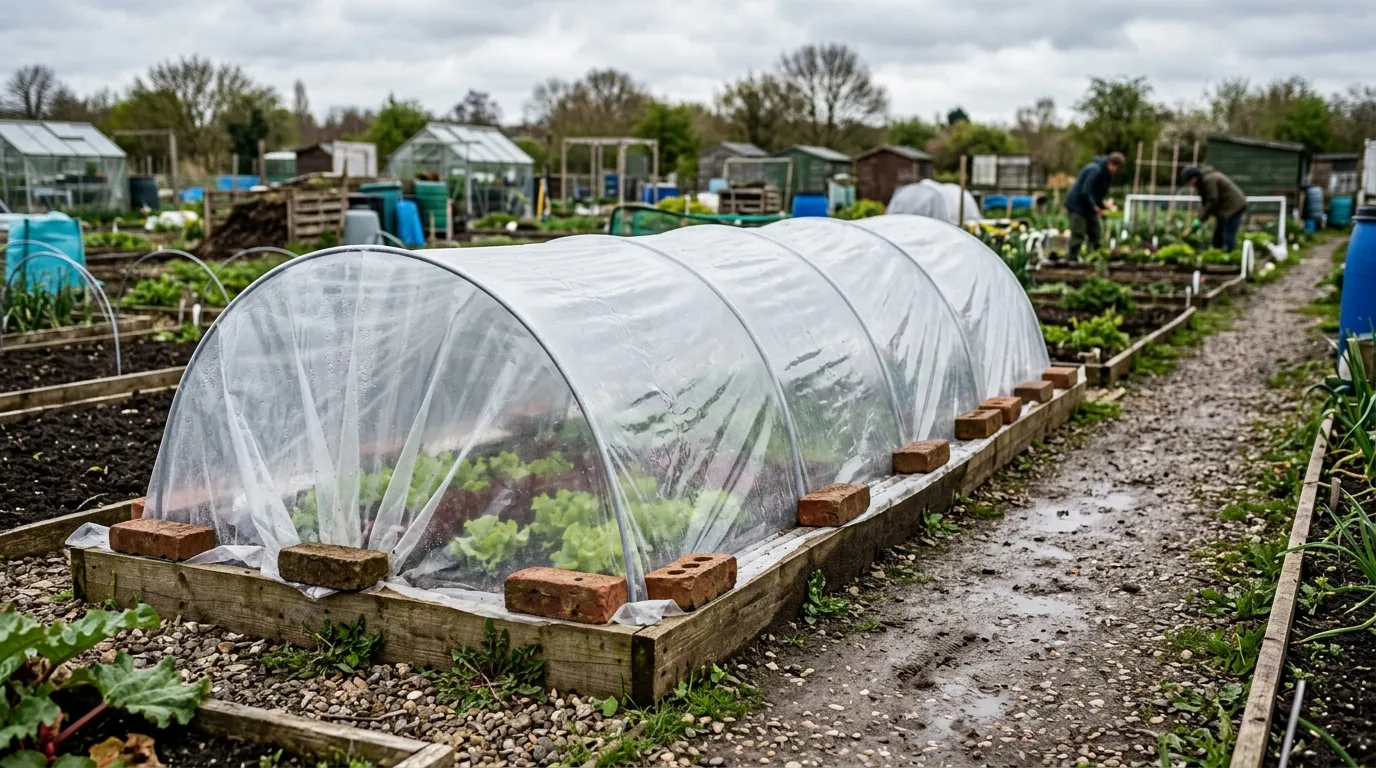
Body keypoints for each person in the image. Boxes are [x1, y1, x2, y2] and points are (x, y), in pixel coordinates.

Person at [1064, 152, 1126, 259]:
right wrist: (1095, 207)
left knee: (1095, 233)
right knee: (1078, 234)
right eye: (1116, 167)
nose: (1116, 171)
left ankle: (1096, 258)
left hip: (1088, 207)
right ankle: (1071, 259)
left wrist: (1104, 206)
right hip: (1077, 205)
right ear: (1111, 164)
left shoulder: (1106, 175)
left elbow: (1097, 195)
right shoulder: (1094, 170)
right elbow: (1086, 191)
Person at [1181, 165, 1247, 252]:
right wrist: (1199, 221)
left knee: (1228, 234)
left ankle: (1231, 258)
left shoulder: (1210, 180)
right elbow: (1207, 204)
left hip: (1234, 207)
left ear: (1194, 178)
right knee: (1218, 236)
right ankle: (1218, 253)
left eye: (1190, 181)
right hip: (1225, 209)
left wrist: (1198, 221)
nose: (1190, 184)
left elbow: (1212, 201)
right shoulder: (1203, 182)